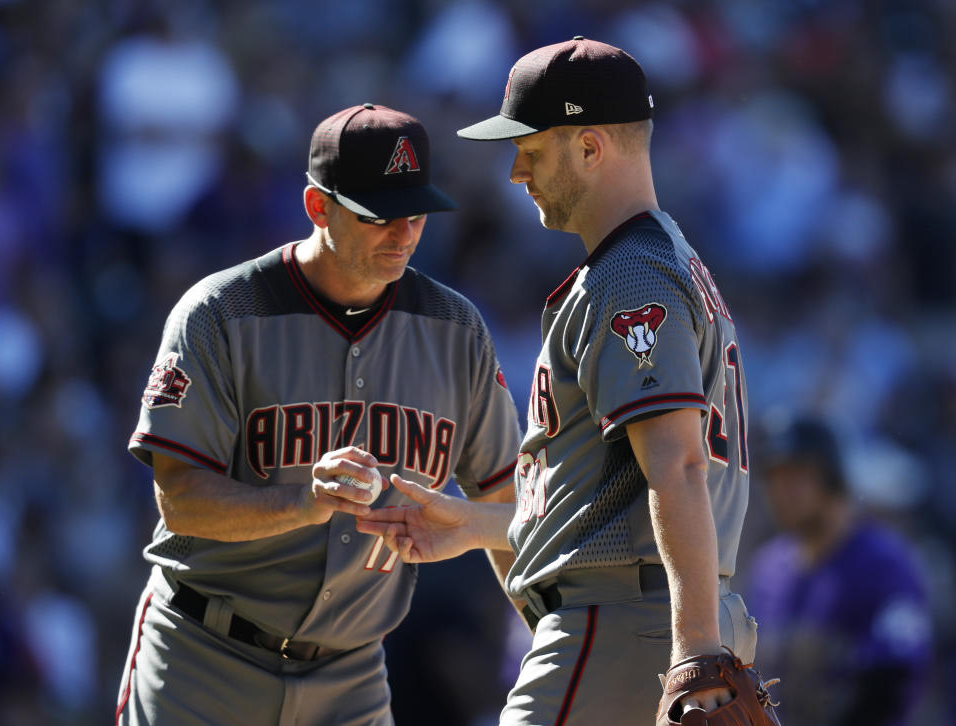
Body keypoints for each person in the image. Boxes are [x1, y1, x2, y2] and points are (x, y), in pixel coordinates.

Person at [358, 37, 767, 725]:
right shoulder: (661, 260)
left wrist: (695, 652)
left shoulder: (630, 274)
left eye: (532, 147)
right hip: (653, 615)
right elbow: (623, 503)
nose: (516, 171)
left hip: (626, 629)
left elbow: (680, 466)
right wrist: (477, 525)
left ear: (589, 146)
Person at [114, 103, 523, 726]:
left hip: (350, 675)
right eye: (379, 215)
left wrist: (553, 643)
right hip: (203, 660)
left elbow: (510, 504)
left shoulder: (455, 329)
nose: (404, 234)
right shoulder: (221, 313)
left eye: (416, 214)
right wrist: (302, 503)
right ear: (317, 207)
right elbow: (180, 501)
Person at [744, 414, 932, 726]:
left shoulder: (885, 565)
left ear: (832, 476)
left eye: (796, 475)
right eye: (774, 478)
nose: (781, 491)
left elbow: (893, 682)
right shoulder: (769, 568)